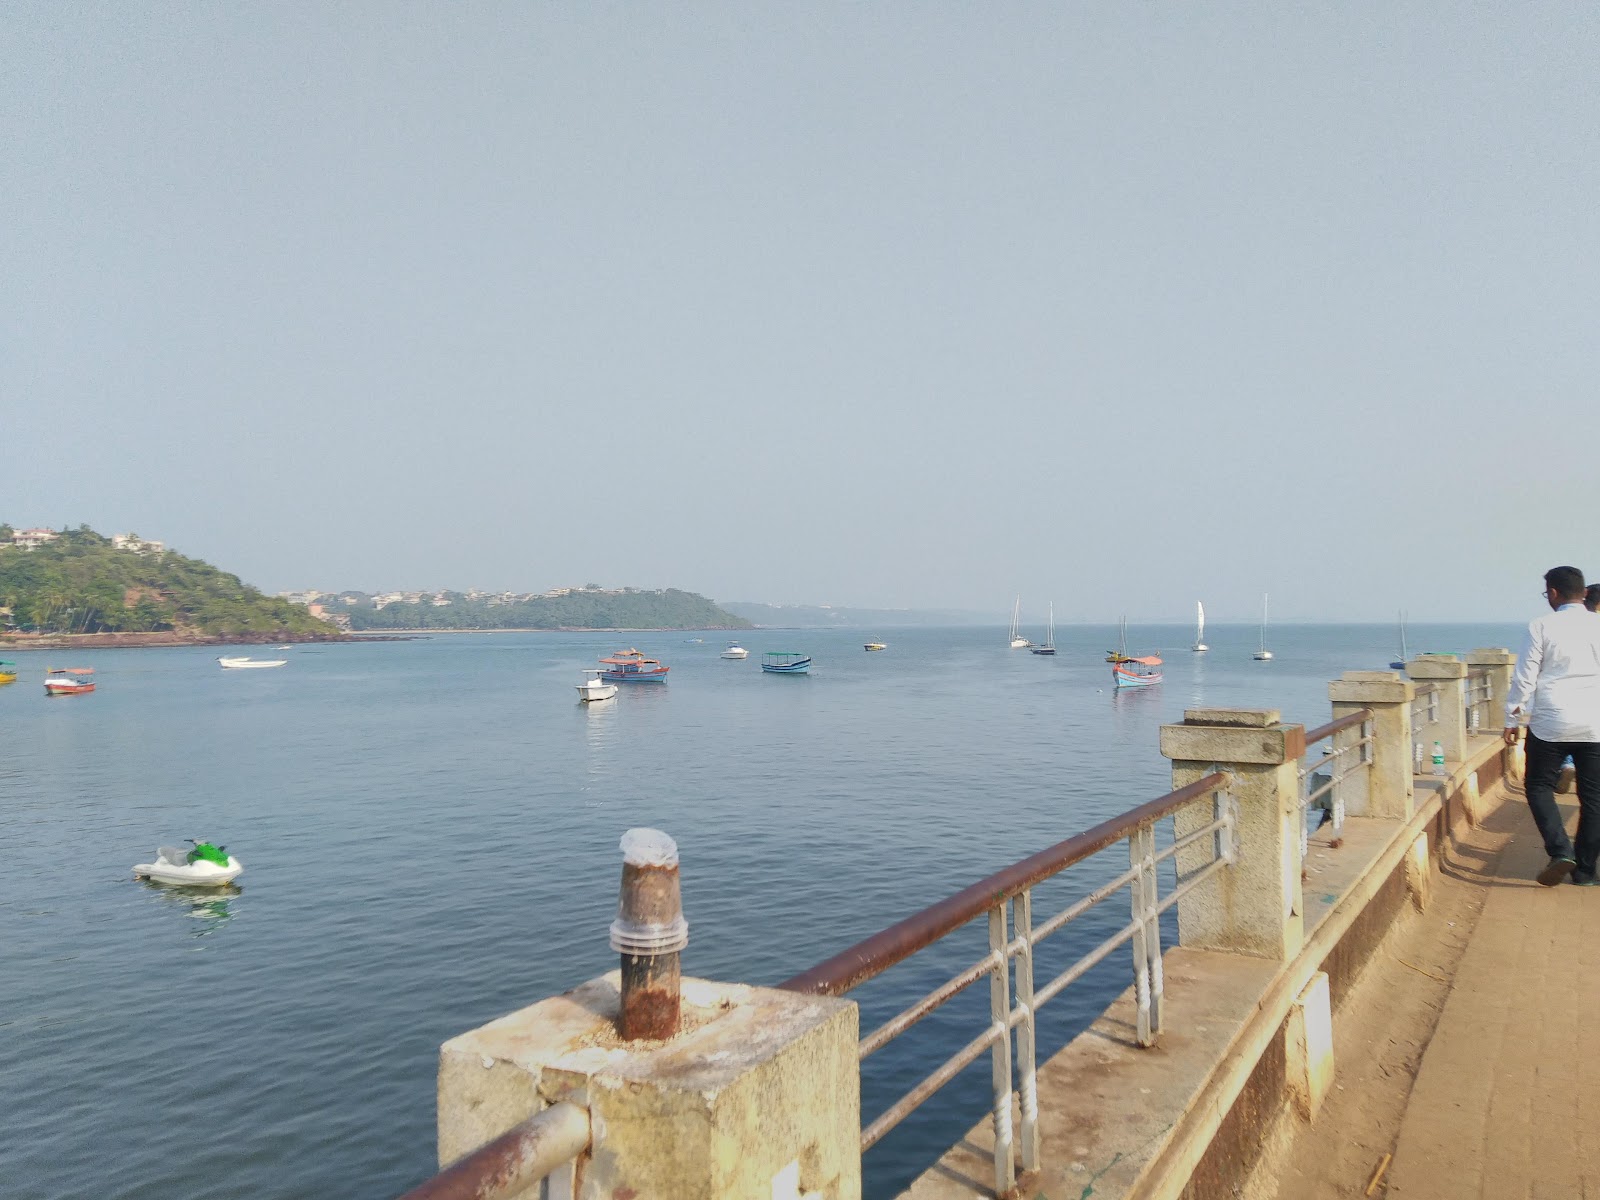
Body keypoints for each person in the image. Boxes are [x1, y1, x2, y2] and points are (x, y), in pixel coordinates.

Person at [1504, 566, 1600, 885]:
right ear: (1584, 593)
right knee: (1594, 798)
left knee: (1538, 786)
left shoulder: (1541, 626)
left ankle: (1561, 850)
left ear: (1554, 593)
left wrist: (1511, 719)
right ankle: (1585, 872)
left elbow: (1525, 677)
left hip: (1551, 722)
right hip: (1594, 724)